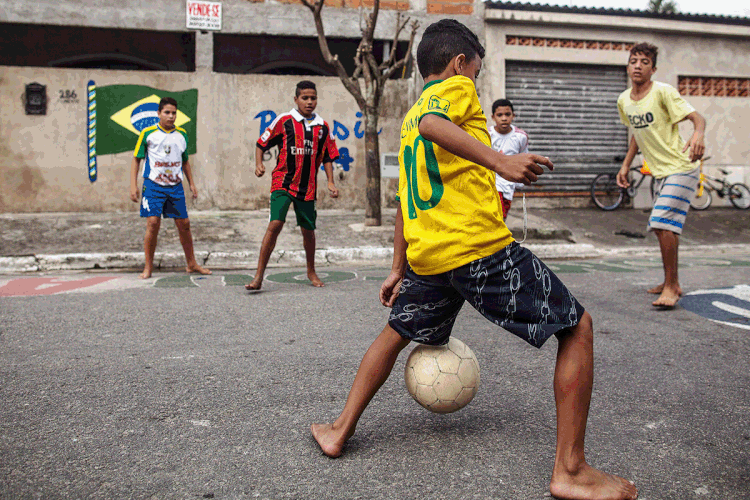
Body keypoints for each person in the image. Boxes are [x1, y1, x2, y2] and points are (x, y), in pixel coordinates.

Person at [311, 19, 638, 500]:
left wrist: (398, 265)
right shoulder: (450, 93)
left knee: (397, 331)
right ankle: (570, 470)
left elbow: (406, 195)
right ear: (459, 63)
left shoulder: (408, 118)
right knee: (577, 328)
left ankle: (339, 429)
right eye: (476, 71)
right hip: (476, 249)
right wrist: (500, 160)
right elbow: (434, 124)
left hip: (430, 256)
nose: (476, 83)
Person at [616, 42, 705, 309]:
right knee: (666, 229)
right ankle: (672, 281)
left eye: (644, 62)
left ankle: (670, 287)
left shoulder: (663, 92)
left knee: (661, 223)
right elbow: (636, 135)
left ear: (653, 69)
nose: (638, 66)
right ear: (628, 65)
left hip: (682, 167)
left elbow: (697, 118)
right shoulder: (624, 100)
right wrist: (625, 165)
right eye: (634, 61)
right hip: (660, 173)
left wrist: (698, 133)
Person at [245, 81, 339, 291]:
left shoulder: (322, 127)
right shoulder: (284, 121)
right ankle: (259, 276)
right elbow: (261, 143)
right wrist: (259, 163)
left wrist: (331, 181)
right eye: (305, 98)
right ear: (295, 99)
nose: (309, 102)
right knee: (275, 224)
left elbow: (328, 156)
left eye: (313, 98)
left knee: (308, 230)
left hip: (307, 187)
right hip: (283, 182)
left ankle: (311, 271)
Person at [129, 97, 211, 280]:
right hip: (153, 186)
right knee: (153, 223)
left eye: (174, 113)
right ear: (158, 114)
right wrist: (133, 185)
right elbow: (136, 159)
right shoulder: (148, 133)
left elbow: (185, 161)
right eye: (167, 112)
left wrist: (192, 184)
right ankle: (148, 267)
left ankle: (191, 264)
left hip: (175, 187)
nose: (171, 116)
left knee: (184, 224)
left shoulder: (181, 134)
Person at [489, 98, 528, 219]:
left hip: (508, 185)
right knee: (494, 217)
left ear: (513, 115)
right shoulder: (487, 134)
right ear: (493, 117)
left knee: (502, 218)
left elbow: (523, 157)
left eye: (507, 114)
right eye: (499, 115)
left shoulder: (520, 136)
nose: (504, 118)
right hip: (491, 184)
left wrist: (521, 179)